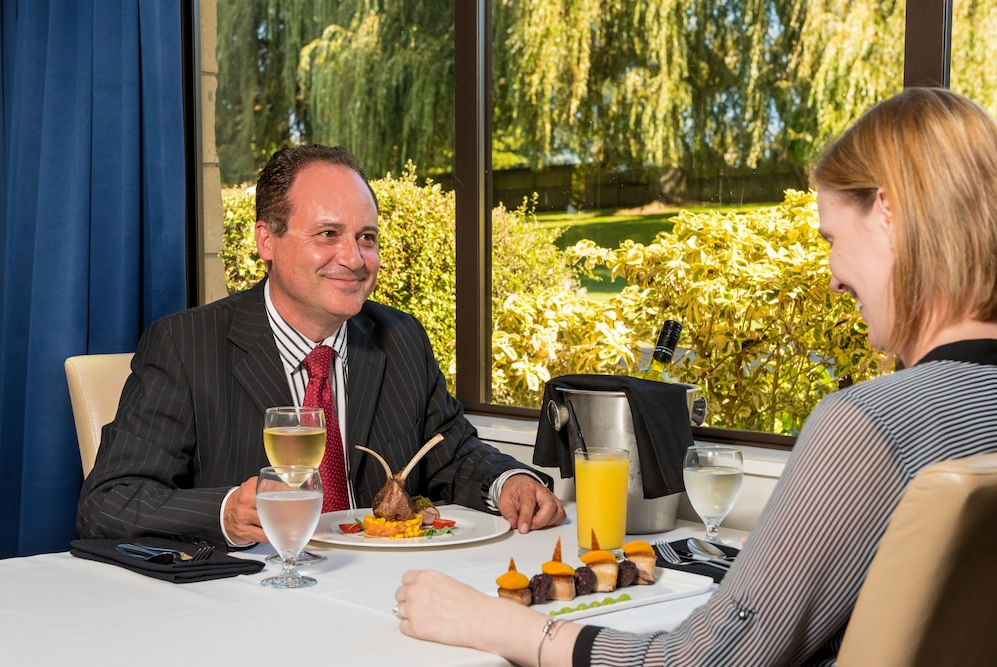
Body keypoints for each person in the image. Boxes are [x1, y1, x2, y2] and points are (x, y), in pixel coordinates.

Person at [392, 87, 997, 665]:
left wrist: (495, 622)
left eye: (831, 239)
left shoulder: (867, 425)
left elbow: (701, 661)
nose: (835, 278)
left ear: (888, 214)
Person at [77, 145, 566, 547]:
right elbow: (108, 501)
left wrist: (510, 482)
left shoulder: (401, 338)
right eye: (328, 234)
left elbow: (452, 453)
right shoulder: (185, 346)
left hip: (384, 590)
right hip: (251, 600)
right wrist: (226, 512)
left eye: (366, 237)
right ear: (266, 241)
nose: (354, 259)